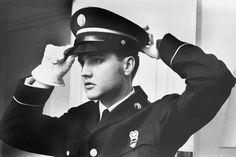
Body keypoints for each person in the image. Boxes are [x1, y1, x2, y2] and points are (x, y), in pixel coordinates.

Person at [0, 7, 235, 157]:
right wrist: (46, 75)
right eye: (82, 62)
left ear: (128, 65)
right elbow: (14, 132)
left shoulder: (159, 118)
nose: (85, 72)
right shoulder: (76, 120)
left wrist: (160, 47)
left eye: (98, 60)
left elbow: (215, 79)